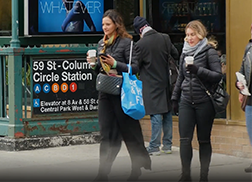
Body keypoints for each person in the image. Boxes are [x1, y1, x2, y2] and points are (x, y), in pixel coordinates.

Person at [87, 9, 151, 182]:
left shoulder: (127, 43)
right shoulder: (101, 43)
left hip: (123, 93)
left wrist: (115, 63)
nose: (105, 28)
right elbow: (101, 70)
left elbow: (135, 69)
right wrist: (94, 66)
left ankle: (136, 168)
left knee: (129, 132)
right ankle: (103, 173)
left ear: (116, 24)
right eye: (103, 25)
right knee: (106, 132)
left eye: (108, 24)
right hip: (106, 92)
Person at [171, 20, 222, 182]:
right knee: (184, 140)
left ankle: (203, 176)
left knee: (203, 140)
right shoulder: (185, 52)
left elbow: (217, 76)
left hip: (204, 101)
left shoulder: (209, 52)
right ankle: (185, 175)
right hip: (186, 100)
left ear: (200, 34)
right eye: (187, 35)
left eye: (192, 35)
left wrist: (198, 70)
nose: (189, 38)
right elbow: (180, 77)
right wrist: (174, 97)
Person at [134, 16, 179, 156]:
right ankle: (167, 145)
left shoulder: (140, 45)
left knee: (156, 114)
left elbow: (136, 66)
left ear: (139, 31)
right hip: (166, 81)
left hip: (150, 83)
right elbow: (175, 54)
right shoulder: (164, 38)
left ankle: (154, 146)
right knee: (167, 113)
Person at [235, 24, 252, 173]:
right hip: (250, 98)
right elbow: (242, 70)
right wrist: (239, 85)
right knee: (251, 131)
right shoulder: (249, 48)